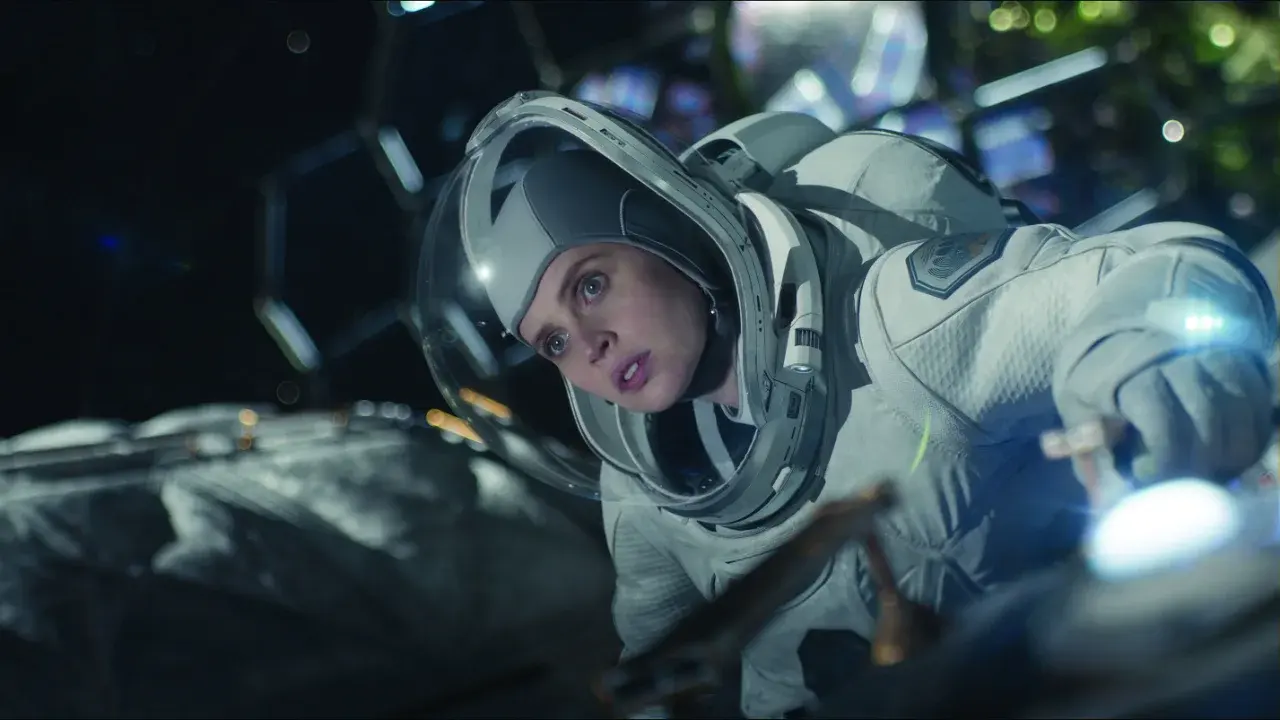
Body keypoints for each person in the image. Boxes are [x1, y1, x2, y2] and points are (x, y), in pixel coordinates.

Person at [415, 91, 1277, 718]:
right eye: (553, 342)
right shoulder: (647, 493)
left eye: (590, 284)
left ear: (667, 229)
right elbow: (660, 672)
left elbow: (1159, 271)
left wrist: (1143, 362)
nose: (589, 345)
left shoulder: (895, 328)